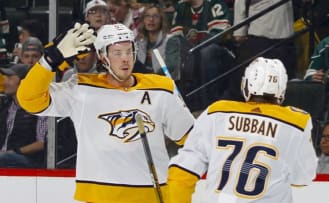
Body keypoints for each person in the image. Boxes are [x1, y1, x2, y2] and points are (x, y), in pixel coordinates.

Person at [17, 22, 194, 202]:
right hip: (101, 196)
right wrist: (50, 60)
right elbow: (29, 100)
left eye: (129, 51)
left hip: (152, 196)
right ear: (102, 56)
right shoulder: (81, 88)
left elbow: (193, 140)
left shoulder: (161, 89)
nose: (125, 58)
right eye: (117, 53)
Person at [167, 57, 318, 203]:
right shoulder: (295, 122)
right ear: (282, 90)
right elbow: (302, 178)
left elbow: (182, 171)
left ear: (246, 85)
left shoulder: (217, 112)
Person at [170, 0, 235, 110]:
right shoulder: (181, 7)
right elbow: (175, 39)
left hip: (222, 54)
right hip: (192, 55)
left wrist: (194, 45)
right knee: (177, 53)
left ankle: (210, 107)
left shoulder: (215, 4)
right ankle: (183, 107)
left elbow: (221, 36)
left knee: (207, 52)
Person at [233, 0, 296, 80]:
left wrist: (240, 32)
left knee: (285, 83)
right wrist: (240, 31)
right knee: (254, 81)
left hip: (284, 40)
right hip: (260, 38)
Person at [0, 64, 47, 168]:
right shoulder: (5, 106)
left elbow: (41, 143)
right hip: (4, 156)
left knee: (3, 158)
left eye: (10, 78)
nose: (5, 82)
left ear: (23, 82)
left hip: (27, 159)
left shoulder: (38, 108)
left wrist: (14, 152)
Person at [137, 4, 180, 80]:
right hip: (143, 83)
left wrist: (152, 79)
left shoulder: (171, 40)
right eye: (147, 16)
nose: (151, 19)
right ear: (143, 20)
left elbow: (170, 66)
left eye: (155, 16)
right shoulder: (139, 41)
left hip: (165, 83)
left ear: (161, 20)